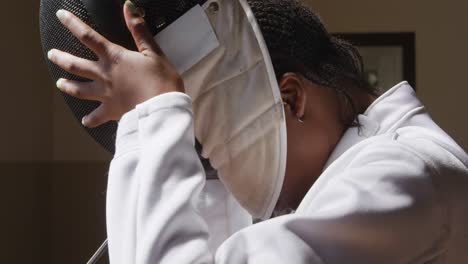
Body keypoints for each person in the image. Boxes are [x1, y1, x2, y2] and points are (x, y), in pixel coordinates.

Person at [47, 0, 468, 263]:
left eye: (208, 138)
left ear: (291, 98)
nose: (218, 169)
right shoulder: (352, 173)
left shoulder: (402, 174)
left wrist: (157, 114)